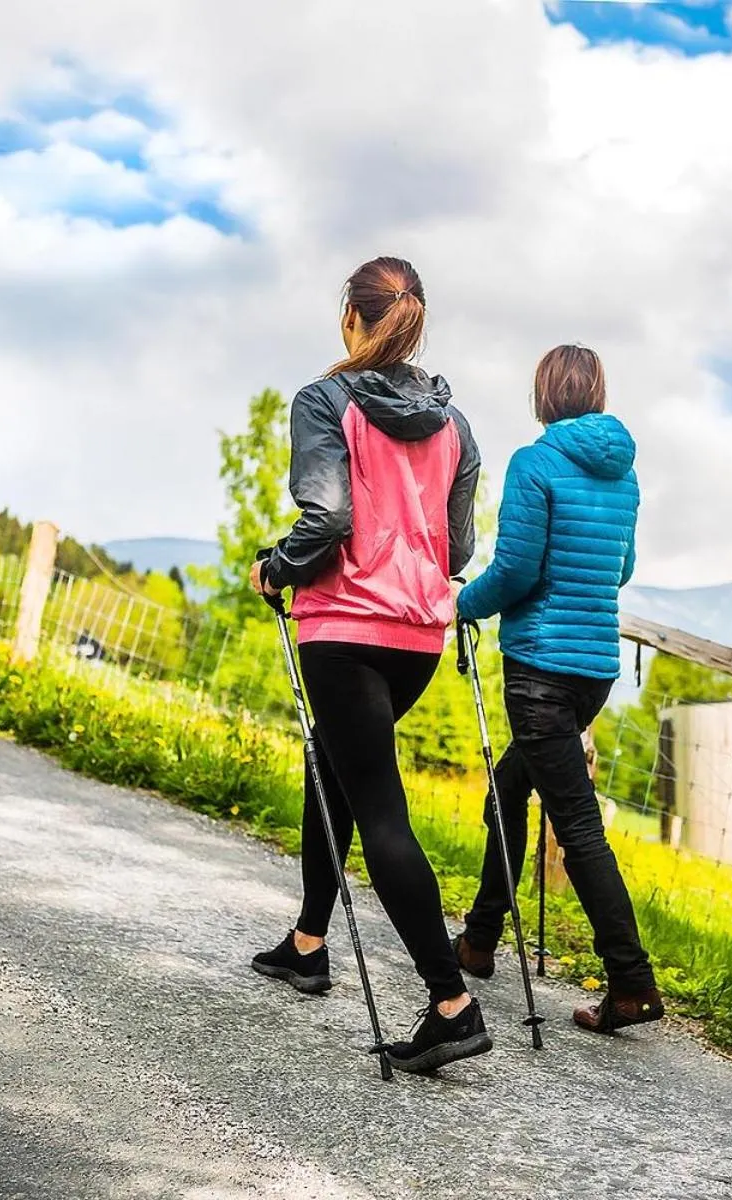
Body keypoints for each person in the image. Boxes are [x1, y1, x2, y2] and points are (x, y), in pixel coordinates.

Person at [248, 256, 491, 1075]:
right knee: (338, 764)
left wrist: (278, 565)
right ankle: (309, 941)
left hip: (345, 628)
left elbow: (328, 515)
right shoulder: (455, 426)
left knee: (380, 810)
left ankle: (450, 1003)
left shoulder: (324, 399)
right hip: (416, 634)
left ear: (353, 319)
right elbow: (457, 547)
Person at [451, 344, 662, 1033]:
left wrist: (461, 604)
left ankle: (632, 982)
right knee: (509, 790)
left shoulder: (534, 463)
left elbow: (514, 571)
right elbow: (622, 569)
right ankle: (480, 940)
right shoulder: (624, 475)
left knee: (577, 828)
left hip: (539, 668)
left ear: (544, 393)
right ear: (597, 392)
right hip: (593, 669)